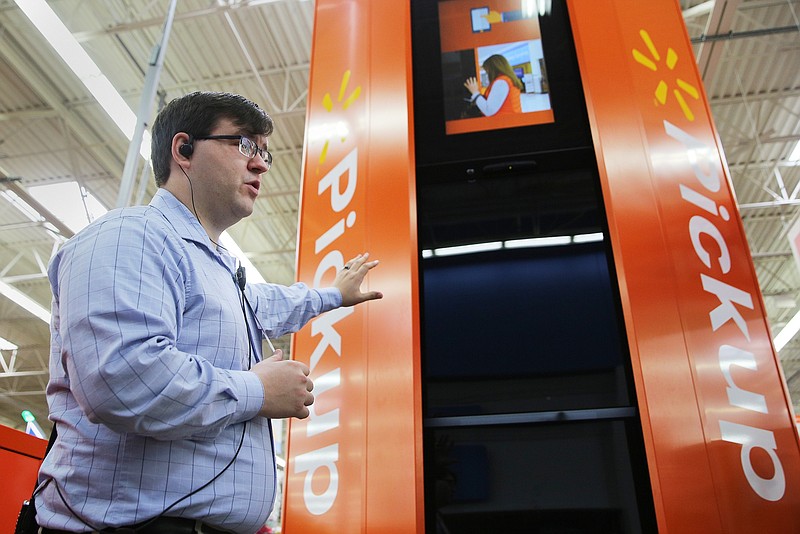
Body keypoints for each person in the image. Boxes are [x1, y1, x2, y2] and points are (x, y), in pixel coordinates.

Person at [34, 91, 382, 533]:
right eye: (246, 145)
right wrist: (256, 390)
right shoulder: (130, 237)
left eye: (265, 153)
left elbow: (271, 303)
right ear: (184, 149)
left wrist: (334, 294)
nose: (261, 164)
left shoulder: (214, 269)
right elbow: (123, 379)